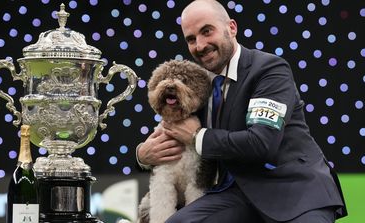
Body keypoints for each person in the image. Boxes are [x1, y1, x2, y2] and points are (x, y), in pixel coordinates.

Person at [136, 0, 347, 222]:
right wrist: (142, 155)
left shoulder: (269, 70)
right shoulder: (196, 85)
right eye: (191, 39)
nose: (200, 45)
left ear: (232, 28)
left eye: (207, 31)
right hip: (235, 195)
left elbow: (262, 144)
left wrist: (199, 136)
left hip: (293, 189)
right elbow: (174, 134)